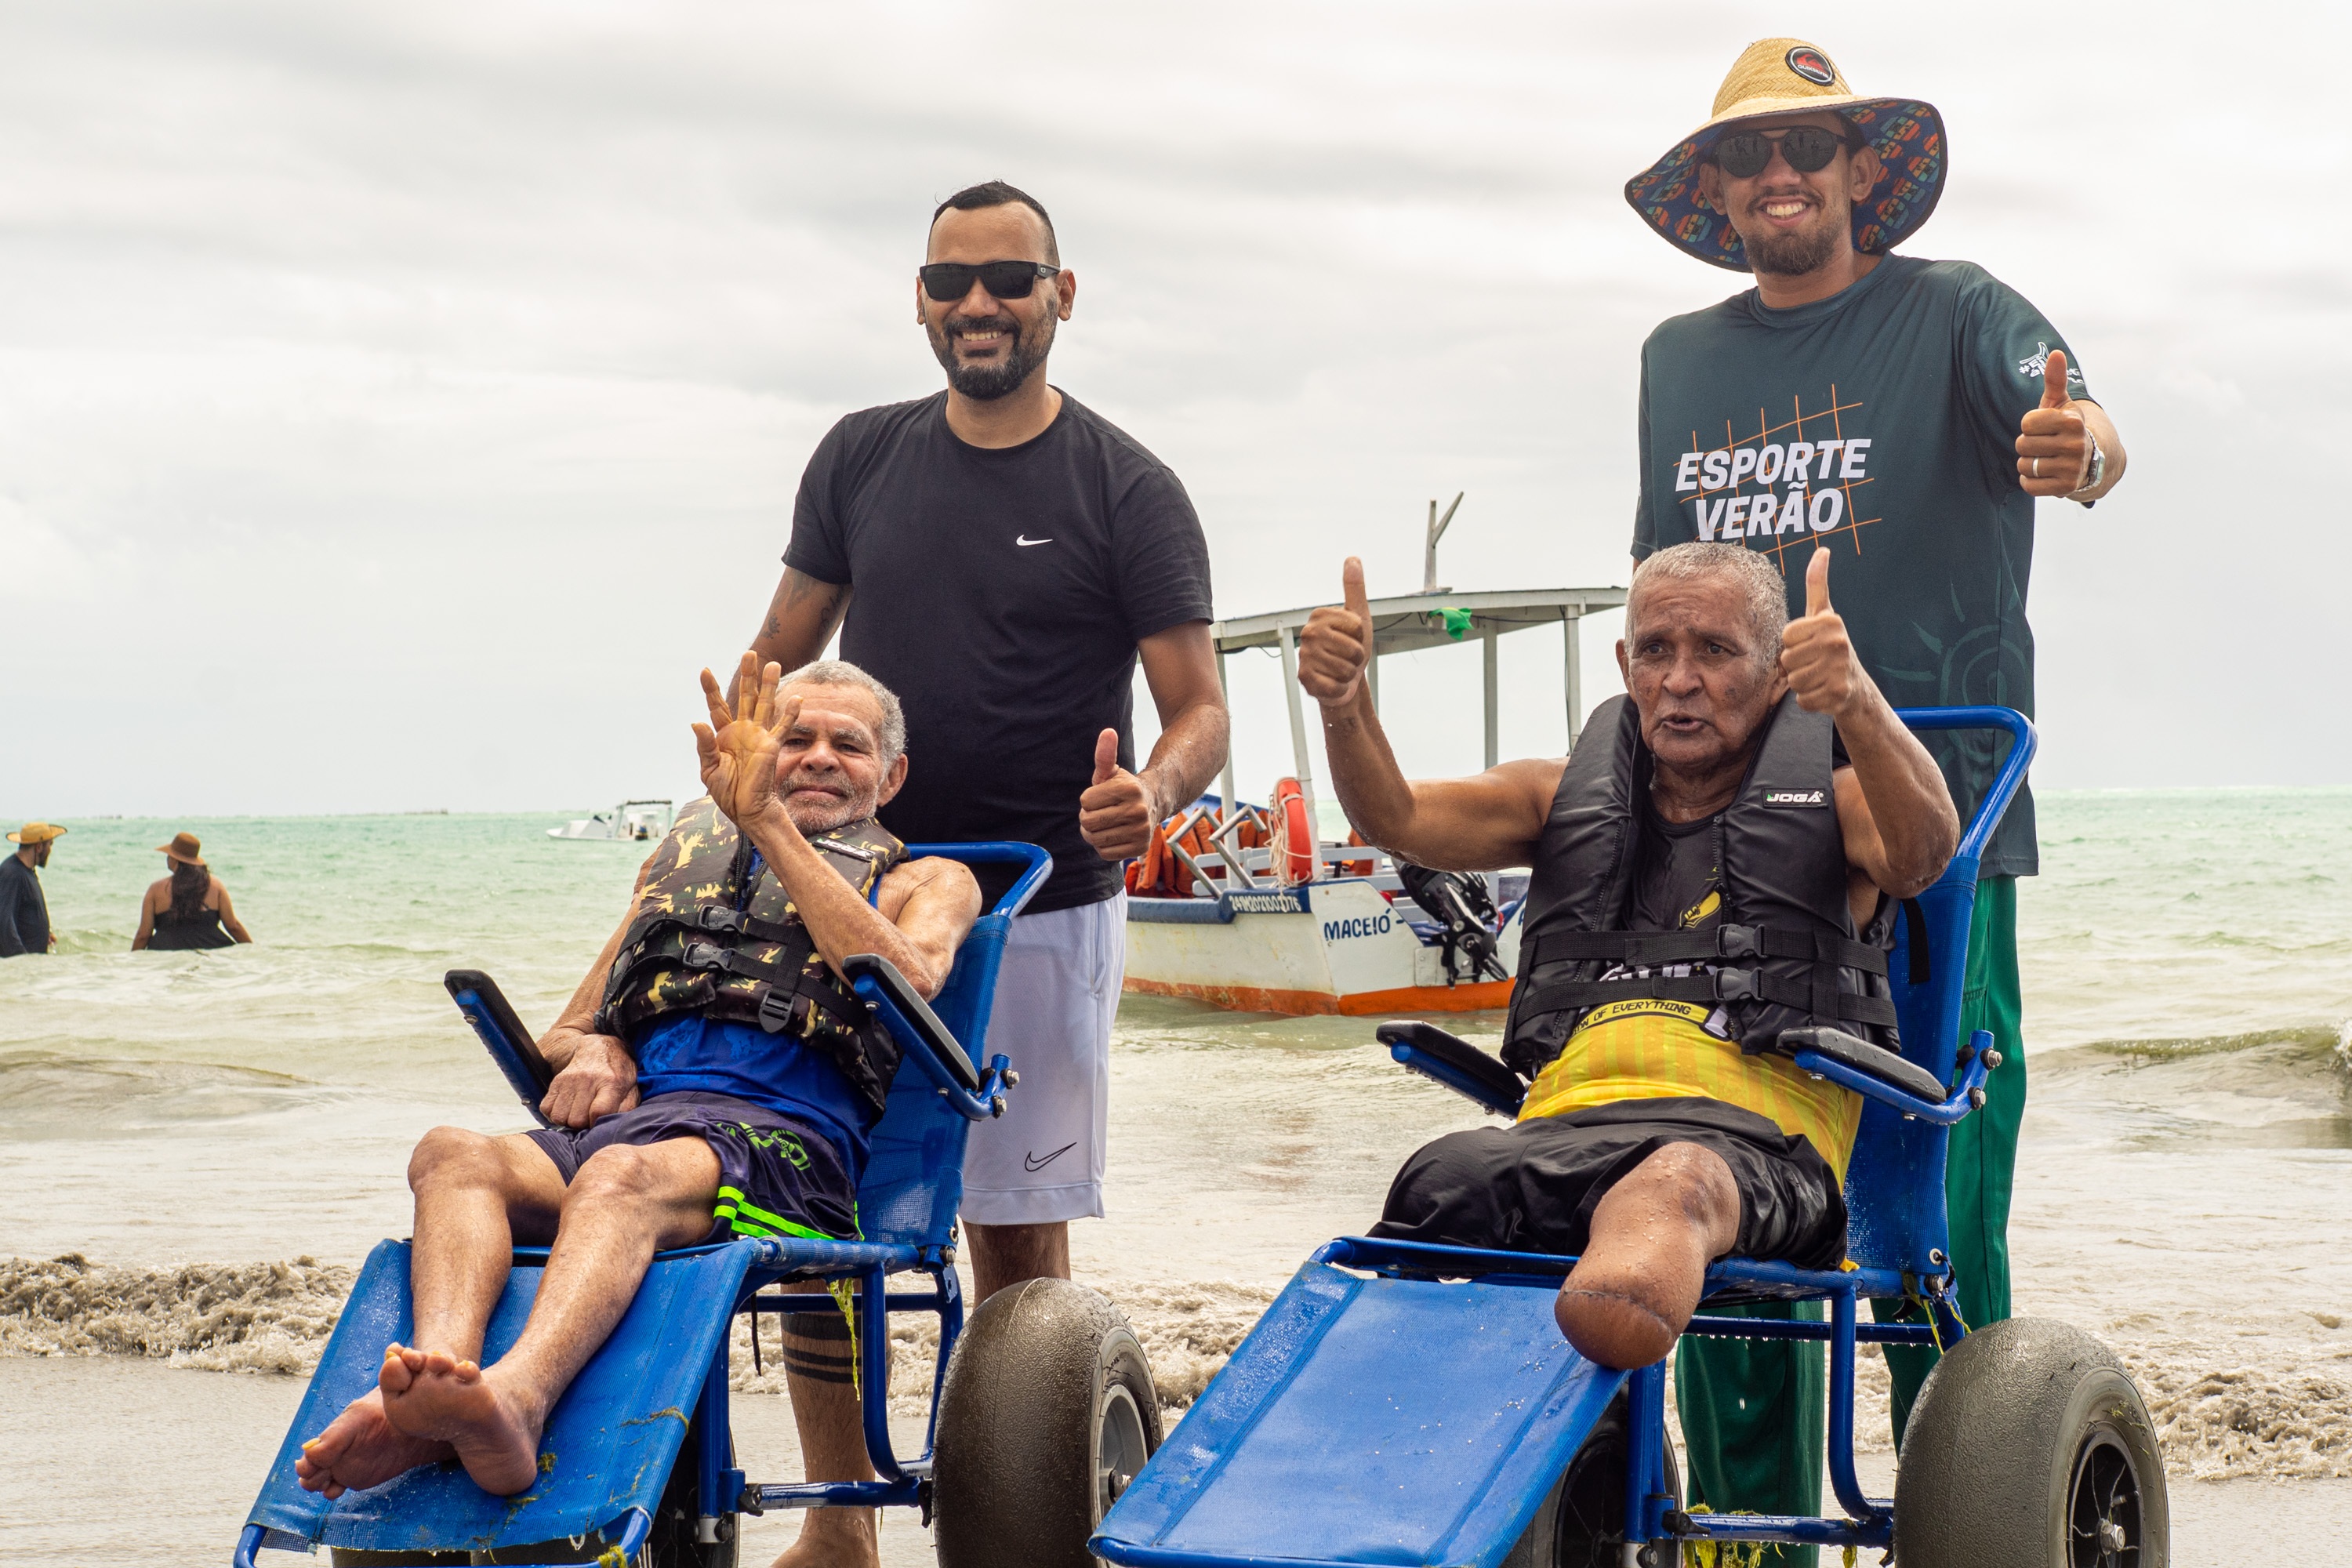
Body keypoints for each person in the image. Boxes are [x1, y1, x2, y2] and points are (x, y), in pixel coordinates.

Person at [1621, 36, 2129, 1534]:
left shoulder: (1958, 311)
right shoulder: (1677, 360)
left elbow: (2084, 423)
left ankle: (1971, 1517)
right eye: (1748, 154)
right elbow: (1656, 590)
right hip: (1732, 836)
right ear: (1718, 189)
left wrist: (2082, 451)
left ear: (1860, 171)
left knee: (1929, 1217)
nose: (1779, 173)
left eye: (1809, 146)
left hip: (1936, 832)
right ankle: (1751, 1546)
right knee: (1723, 1193)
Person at [296, 655, 980, 1568]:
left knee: (619, 1176)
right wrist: (599, 1049)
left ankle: (519, 1396)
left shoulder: (931, 880)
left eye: (846, 745)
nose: (818, 756)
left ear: (889, 776)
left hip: (786, 1145)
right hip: (639, 1127)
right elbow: (566, 1031)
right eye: (795, 738)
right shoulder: (681, 864)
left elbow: (911, 975)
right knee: (452, 1152)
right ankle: (438, 1391)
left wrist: (766, 819)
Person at [1297, 542, 1955, 1393]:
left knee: (1672, 1185)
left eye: (1714, 651)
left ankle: (1607, 1338)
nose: (1680, 679)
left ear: (1777, 674)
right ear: (1625, 665)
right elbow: (1400, 816)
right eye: (1655, 650)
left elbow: (1925, 854)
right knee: (1440, 1176)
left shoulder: (1838, 801)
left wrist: (1857, 698)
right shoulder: (1554, 796)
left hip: (1751, 1156)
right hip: (1557, 1134)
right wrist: (1345, 706)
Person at [744, 180, 1228, 1307]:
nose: (978, 303)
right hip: (862, 889)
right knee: (816, 1202)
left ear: (1062, 294)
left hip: (1038, 905)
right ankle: (853, 1435)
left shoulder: (1130, 489)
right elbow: (776, 654)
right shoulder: (858, 456)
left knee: (1013, 1228)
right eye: (950, 280)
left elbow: (1201, 710)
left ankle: (1028, 1424)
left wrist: (1153, 794)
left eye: (1009, 279)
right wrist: (743, 782)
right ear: (918, 298)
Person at [133, 833, 254, 950]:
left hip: (166, 955)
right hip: (210, 953)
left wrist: (131, 960)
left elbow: (143, 935)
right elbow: (233, 927)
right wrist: (253, 952)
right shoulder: (216, 885)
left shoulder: (155, 889)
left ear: (174, 859)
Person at [1, 822, 64, 957]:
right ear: (39, 847)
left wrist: (44, 934)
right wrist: (22, 960)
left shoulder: (27, 871)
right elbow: (4, 923)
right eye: (50, 845)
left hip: (33, 966)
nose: (50, 851)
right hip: (23, 966)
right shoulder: (13, 874)